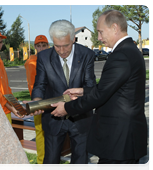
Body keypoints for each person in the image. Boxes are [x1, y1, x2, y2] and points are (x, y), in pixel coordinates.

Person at [50, 10, 147, 170]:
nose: (99, 38)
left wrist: (66, 108)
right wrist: (83, 91)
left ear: (115, 28)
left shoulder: (121, 55)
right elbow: (112, 89)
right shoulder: (130, 50)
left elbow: (100, 95)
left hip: (118, 142)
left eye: (101, 32)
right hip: (126, 140)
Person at [30, 20, 96, 170]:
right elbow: (40, 84)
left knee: (80, 162)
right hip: (53, 117)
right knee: (51, 161)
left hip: (80, 117)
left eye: (66, 45)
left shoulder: (87, 55)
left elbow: (90, 86)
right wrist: (37, 102)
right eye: (57, 46)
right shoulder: (44, 57)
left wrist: (72, 103)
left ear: (73, 38)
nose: (61, 50)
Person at [24, 35, 49, 167]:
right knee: (40, 131)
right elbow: (33, 86)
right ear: (35, 48)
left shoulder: (49, 58)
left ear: (48, 46)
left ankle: (49, 157)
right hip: (40, 102)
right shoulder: (32, 62)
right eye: (38, 46)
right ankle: (41, 160)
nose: (41, 48)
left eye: (43, 45)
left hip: (51, 101)